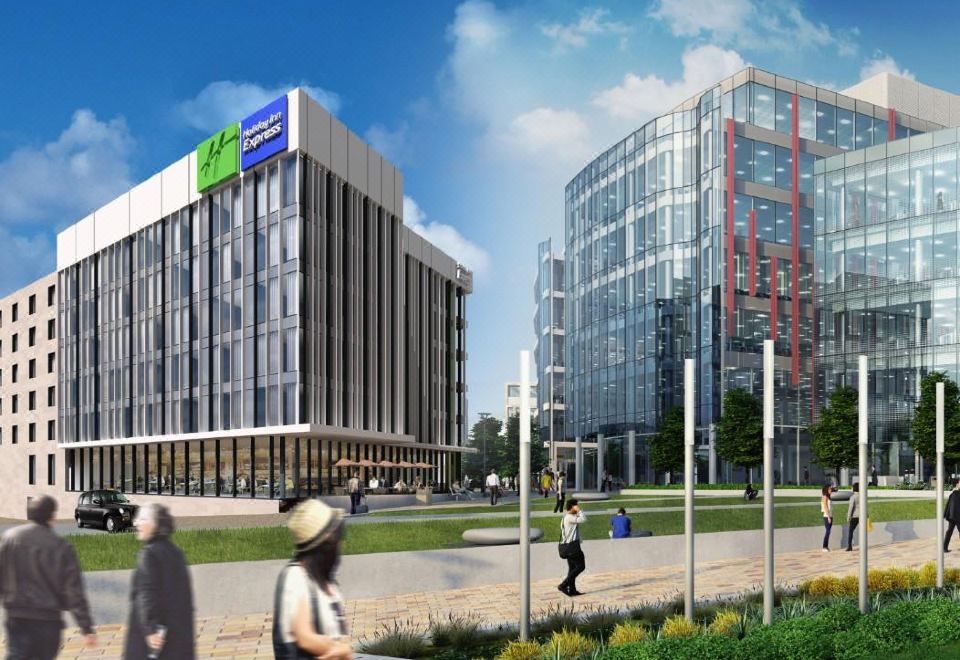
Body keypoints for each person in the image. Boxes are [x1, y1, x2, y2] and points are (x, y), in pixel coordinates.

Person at [0, 496, 96, 660]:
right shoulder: (61, 546)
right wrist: (86, 627)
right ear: (52, 516)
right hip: (48, 620)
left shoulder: (9, 538)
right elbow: (74, 591)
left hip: (16, 616)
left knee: (16, 654)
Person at [273, 500, 352, 660]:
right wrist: (339, 648)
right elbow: (305, 638)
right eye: (338, 536)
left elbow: (342, 636)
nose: (341, 543)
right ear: (326, 542)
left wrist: (342, 649)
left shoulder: (328, 583)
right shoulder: (295, 577)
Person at [123, 504, 195, 659]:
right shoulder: (176, 553)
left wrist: (150, 628)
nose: (136, 523)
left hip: (154, 637)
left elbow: (146, 592)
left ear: (156, 524)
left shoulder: (148, 554)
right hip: (177, 634)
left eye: (143, 519)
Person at [558, 499, 587, 596]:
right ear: (573, 506)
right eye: (576, 505)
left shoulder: (566, 517)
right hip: (572, 547)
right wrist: (579, 510)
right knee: (581, 566)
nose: (578, 507)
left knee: (572, 569)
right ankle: (563, 585)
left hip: (568, 547)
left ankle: (572, 590)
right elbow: (583, 519)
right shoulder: (569, 517)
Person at [944, 479, 960, 552]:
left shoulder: (953, 494)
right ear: (957, 484)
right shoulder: (955, 494)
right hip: (956, 517)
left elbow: (950, 506)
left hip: (952, 516)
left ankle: (944, 548)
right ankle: (944, 547)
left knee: (949, 531)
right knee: (949, 531)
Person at [846, 483, 861, 552]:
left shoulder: (853, 497)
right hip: (862, 516)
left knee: (850, 531)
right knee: (862, 531)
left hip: (855, 516)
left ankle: (849, 546)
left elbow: (851, 508)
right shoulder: (862, 496)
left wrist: (848, 517)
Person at [821, 484, 834, 552]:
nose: (830, 490)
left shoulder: (829, 497)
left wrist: (831, 516)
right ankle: (824, 547)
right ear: (826, 490)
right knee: (828, 531)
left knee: (828, 532)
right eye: (829, 489)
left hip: (831, 516)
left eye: (831, 489)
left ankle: (826, 546)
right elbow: (825, 507)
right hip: (827, 516)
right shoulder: (824, 497)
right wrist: (828, 517)